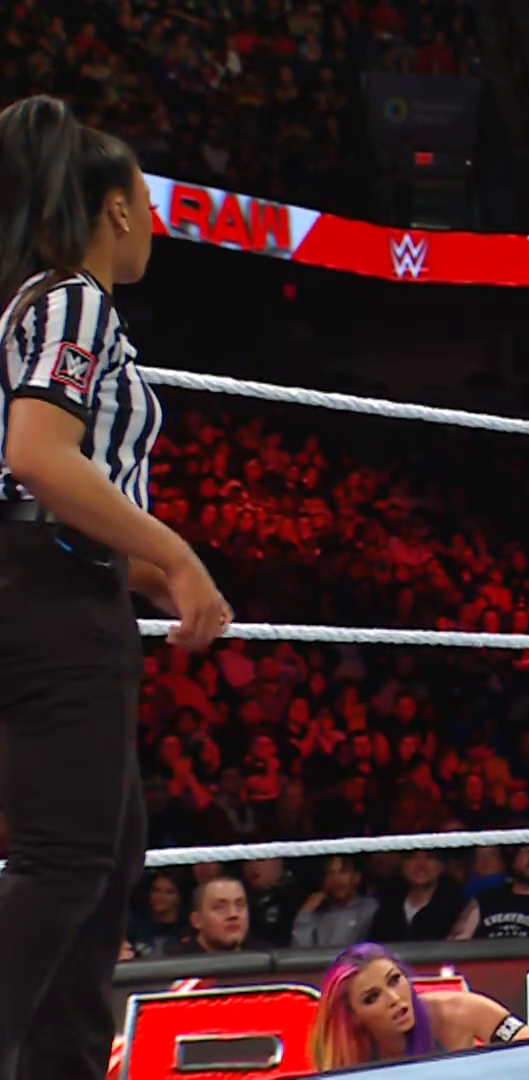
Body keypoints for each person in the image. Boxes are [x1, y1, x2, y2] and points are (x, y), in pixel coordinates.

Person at [0, 94, 231, 1080]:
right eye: (149, 200)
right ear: (120, 207)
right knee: (68, 862)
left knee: (105, 856)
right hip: (49, 593)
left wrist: (146, 568)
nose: (156, 221)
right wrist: (177, 555)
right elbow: (38, 458)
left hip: (57, 580)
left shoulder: (35, 302)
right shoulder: (73, 299)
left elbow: (40, 485)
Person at [309, 943, 529, 1071]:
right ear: (353, 1016)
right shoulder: (343, 1058)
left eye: (394, 980)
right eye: (372, 998)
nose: (394, 998)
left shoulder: (459, 1010)